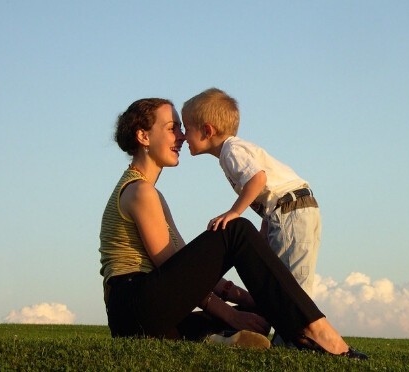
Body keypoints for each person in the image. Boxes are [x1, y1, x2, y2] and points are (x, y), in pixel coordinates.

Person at [98, 98, 367, 359]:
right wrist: (230, 312)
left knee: (259, 315)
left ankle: (219, 338)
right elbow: (168, 262)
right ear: (143, 137)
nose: (181, 136)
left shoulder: (148, 192)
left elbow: (183, 266)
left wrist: (245, 300)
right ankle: (315, 329)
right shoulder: (140, 191)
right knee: (235, 229)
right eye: (172, 128)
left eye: (181, 128)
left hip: (143, 319)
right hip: (135, 304)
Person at [181, 88, 320, 297]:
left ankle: (301, 328)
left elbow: (258, 179)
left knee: (291, 283)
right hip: (287, 210)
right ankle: (286, 326)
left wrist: (234, 212)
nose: (183, 136)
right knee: (282, 279)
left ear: (207, 131)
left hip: (292, 211)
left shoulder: (231, 151)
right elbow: (267, 191)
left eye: (186, 128)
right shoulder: (232, 152)